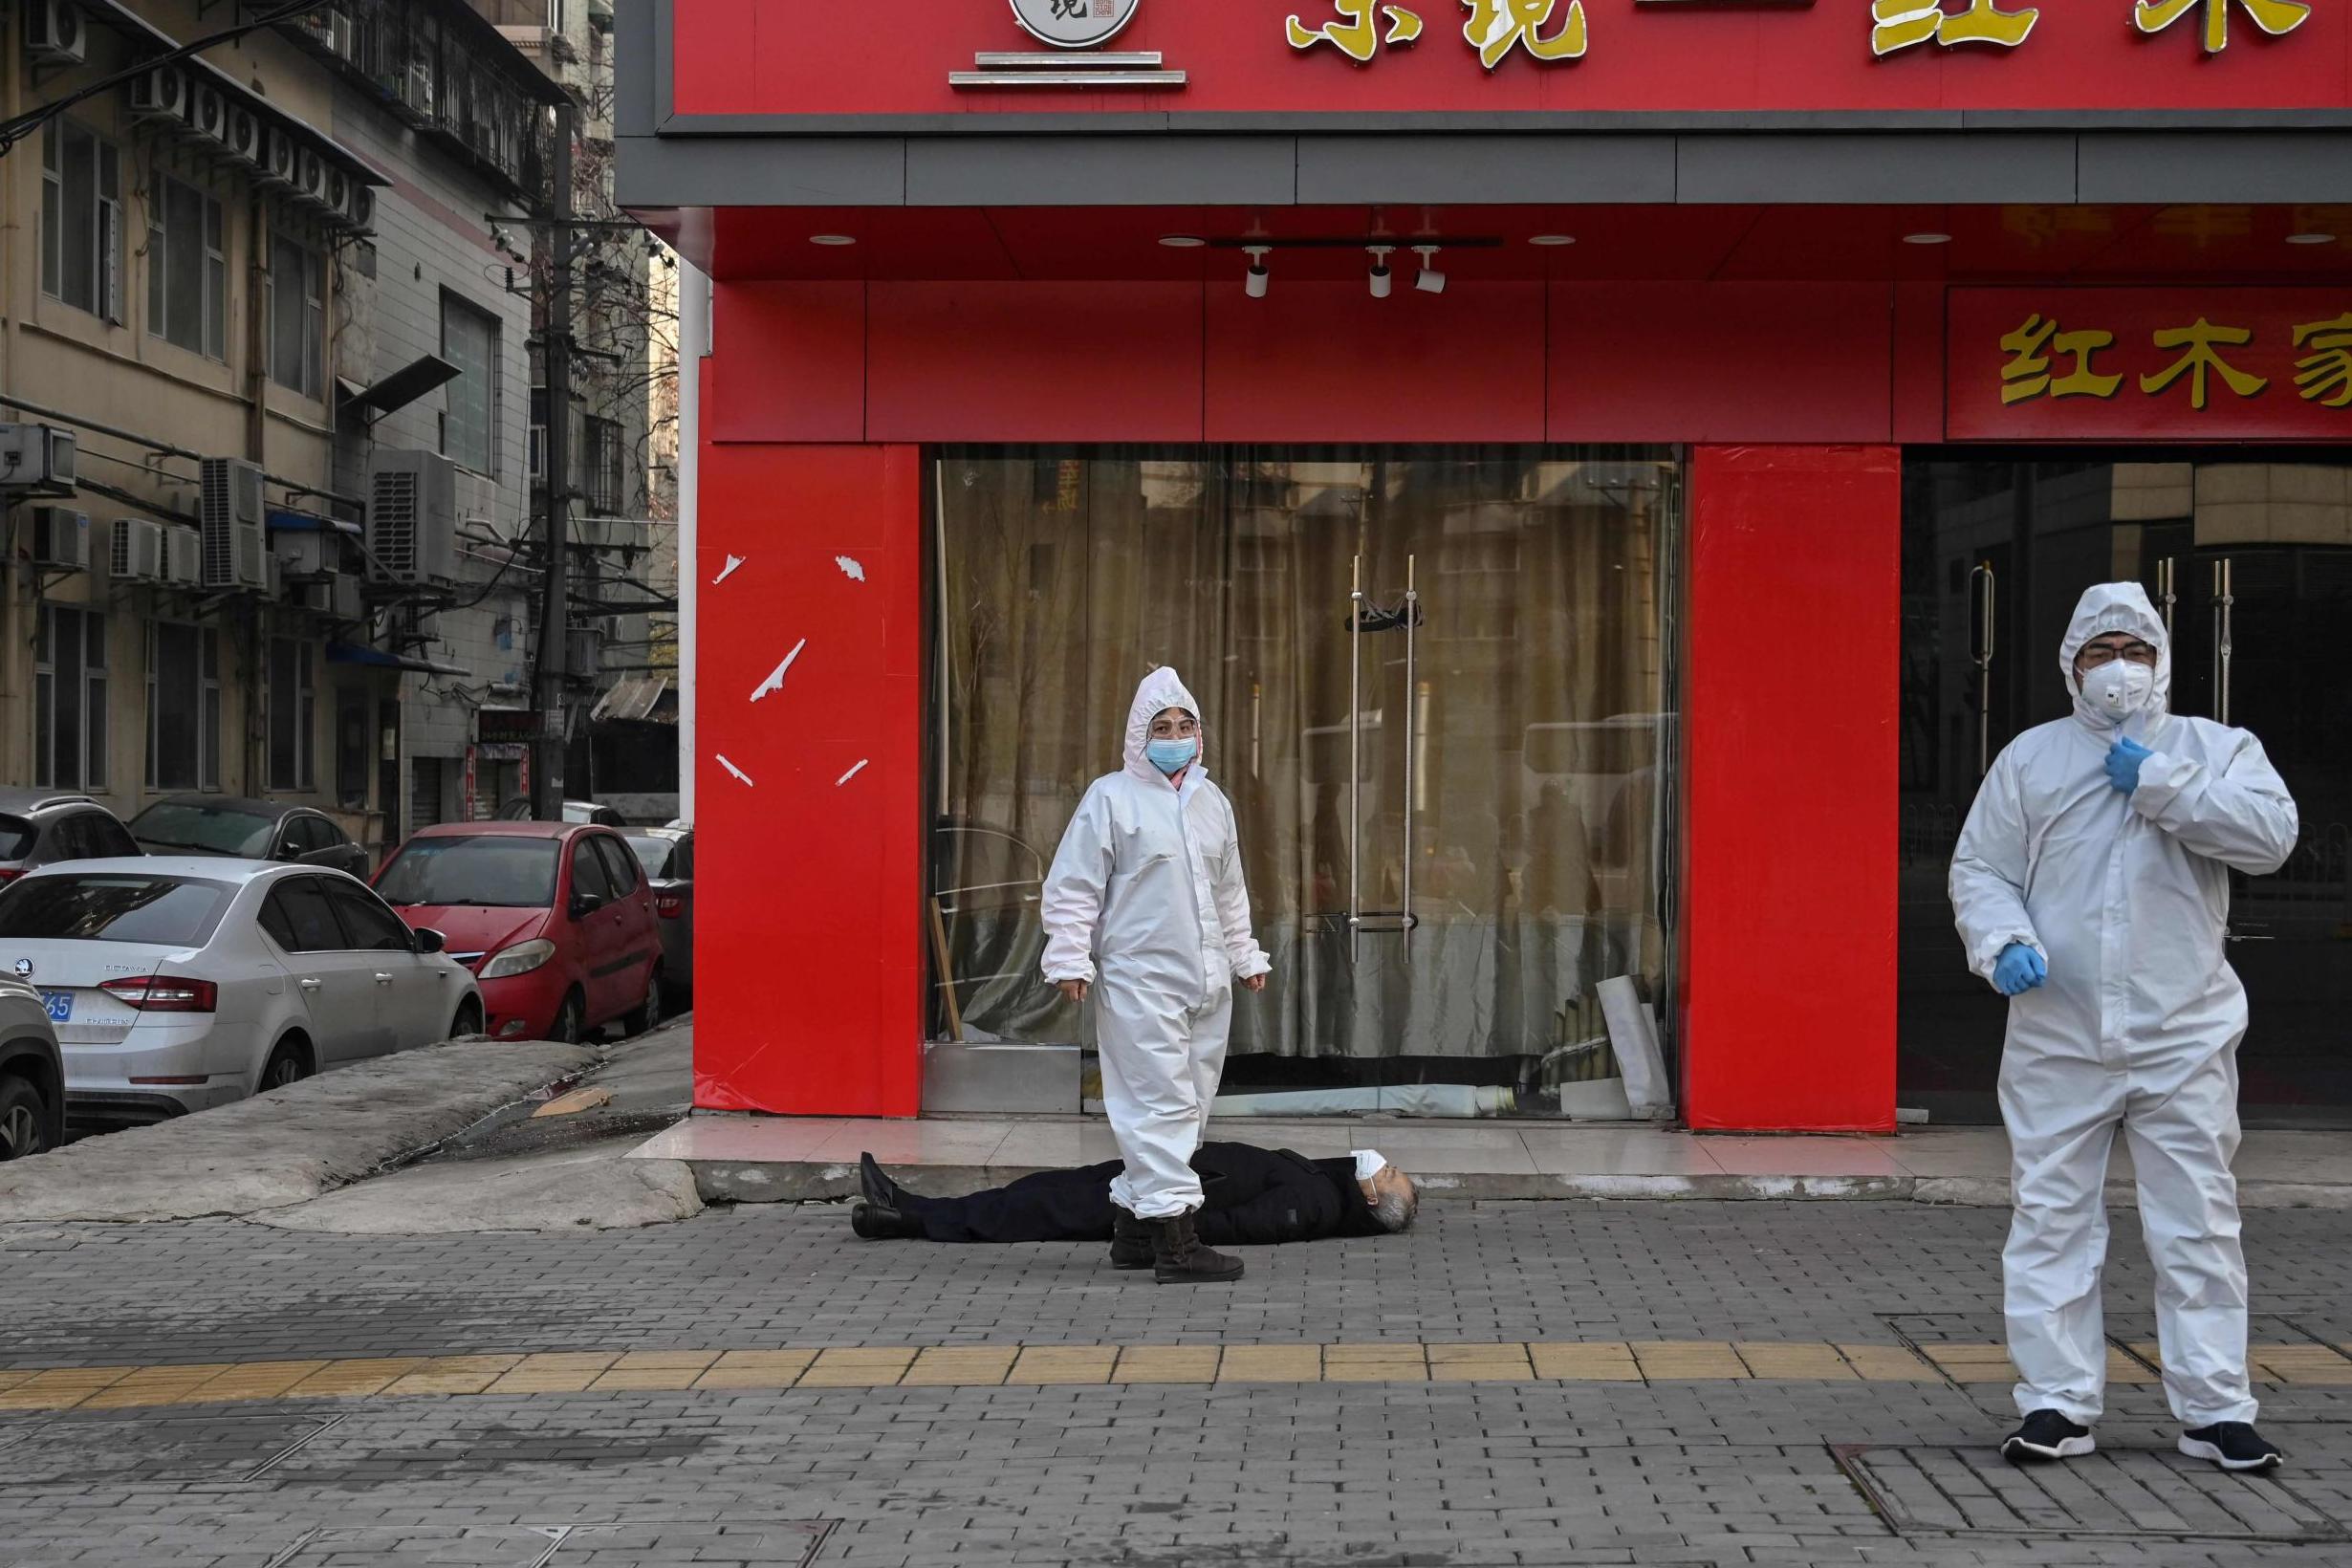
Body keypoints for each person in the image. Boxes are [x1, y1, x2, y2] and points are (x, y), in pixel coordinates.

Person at [1950, 582, 2298, 1474]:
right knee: (2051, 1218)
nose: (2117, 667)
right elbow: (1981, 868)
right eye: (2100, 650)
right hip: (2058, 1031)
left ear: (2163, 661)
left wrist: (2159, 782)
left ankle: (2217, 1408)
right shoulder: (2032, 759)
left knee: (2199, 1225)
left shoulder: (2214, 749)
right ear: (2071, 664)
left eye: (2134, 650)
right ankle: (2056, 1403)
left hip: (2183, 1034)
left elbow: (2271, 838)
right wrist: (2003, 942)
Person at [1041, 667, 1272, 1285]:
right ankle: (1177, 1243)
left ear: (1200, 735)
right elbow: (1074, 885)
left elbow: (1230, 891)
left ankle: (1132, 1227)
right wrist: (1069, 957)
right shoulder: (1112, 799)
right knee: (1161, 1106)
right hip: (1139, 981)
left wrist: (1244, 954)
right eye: (1161, 727)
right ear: (1137, 737)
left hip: (1206, 981)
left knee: (1189, 1107)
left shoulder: (1210, 802)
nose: (1174, 735)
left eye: (1184, 725)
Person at [849, 1146, 1418, 1252]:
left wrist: (1165, 1225)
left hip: (1155, 1196)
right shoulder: (1324, 1181)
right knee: (1037, 1191)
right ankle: (904, 1208)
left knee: (1029, 1211)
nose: (1381, 1162)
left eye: (1387, 1173)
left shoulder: (1315, 1204)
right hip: (1158, 1171)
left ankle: (901, 1216)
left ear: (1372, 1198)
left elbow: (1243, 1224)